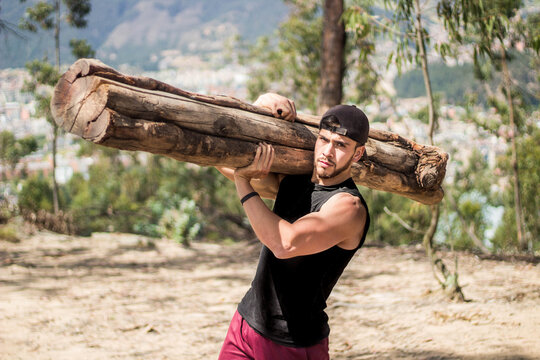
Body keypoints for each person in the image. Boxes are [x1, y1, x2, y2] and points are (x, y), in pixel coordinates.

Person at [216, 93, 370, 360]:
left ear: (358, 154)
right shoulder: (294, 181)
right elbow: (223, 160)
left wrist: (244, 182)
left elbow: (285, 243)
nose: (327, 152)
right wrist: (264, 102)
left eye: (340, 145)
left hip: (294, 344)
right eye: (323, 139)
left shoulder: (348, 208)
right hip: (245, 325)